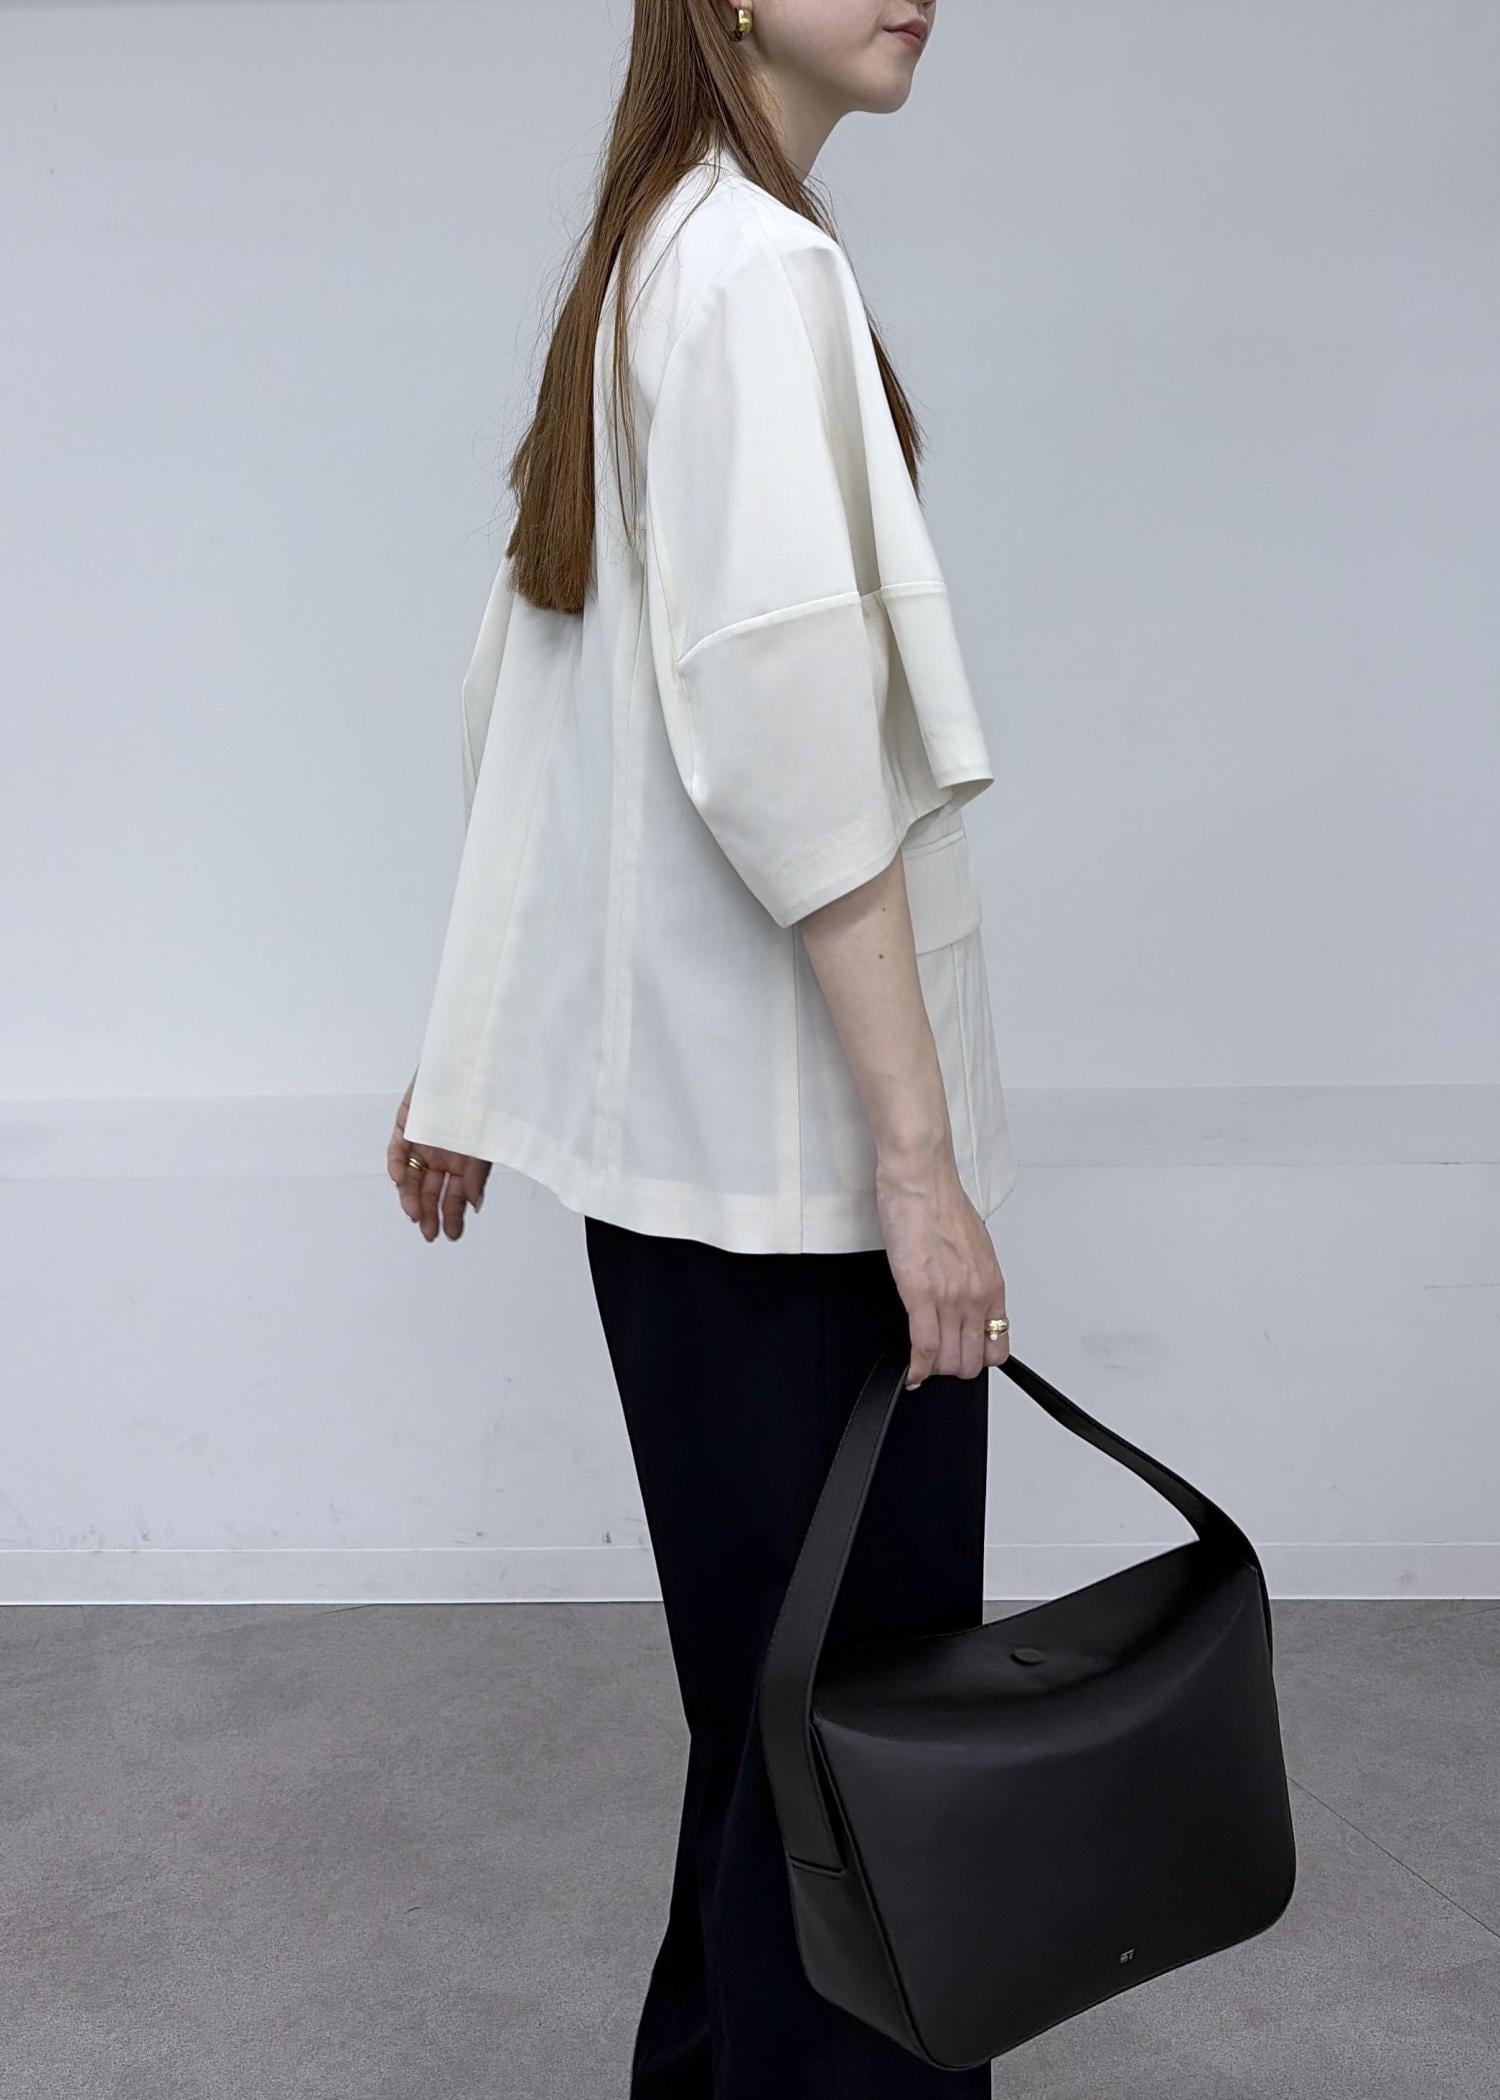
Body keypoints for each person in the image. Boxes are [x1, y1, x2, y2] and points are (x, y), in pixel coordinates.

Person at [387, 4, 1015, 2091]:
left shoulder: (654, 253)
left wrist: (466, 1045)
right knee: (860, 1774)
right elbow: (790, 758)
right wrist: (919, 1169)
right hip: (801, 1187)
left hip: (692, 1195)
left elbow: (532, 689)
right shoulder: (752, 272)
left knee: (774, 1754)